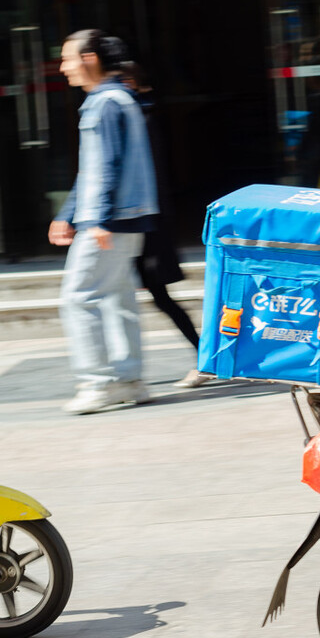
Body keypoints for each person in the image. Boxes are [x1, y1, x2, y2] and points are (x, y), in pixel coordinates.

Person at [50, 31, 159, 414]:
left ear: (90, 58)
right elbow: (95, 168)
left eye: (67, 59)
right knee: (118, 298)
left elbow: (106, 167)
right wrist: (69, 214)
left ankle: (97, 384)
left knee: (78, 298)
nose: (63, 67)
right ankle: (131, 380)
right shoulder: (119, 98)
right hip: (128, 217)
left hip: (110, 220)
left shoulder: (105, 103)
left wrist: (95, 220)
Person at [120, 63, 209, 389]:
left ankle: (204, 357)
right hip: (148, 222)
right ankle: (203, 356)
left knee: (160, 295)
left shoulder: (139, 119)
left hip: (147, 224)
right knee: (158, 296)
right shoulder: (140, 116)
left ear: (129, 82)